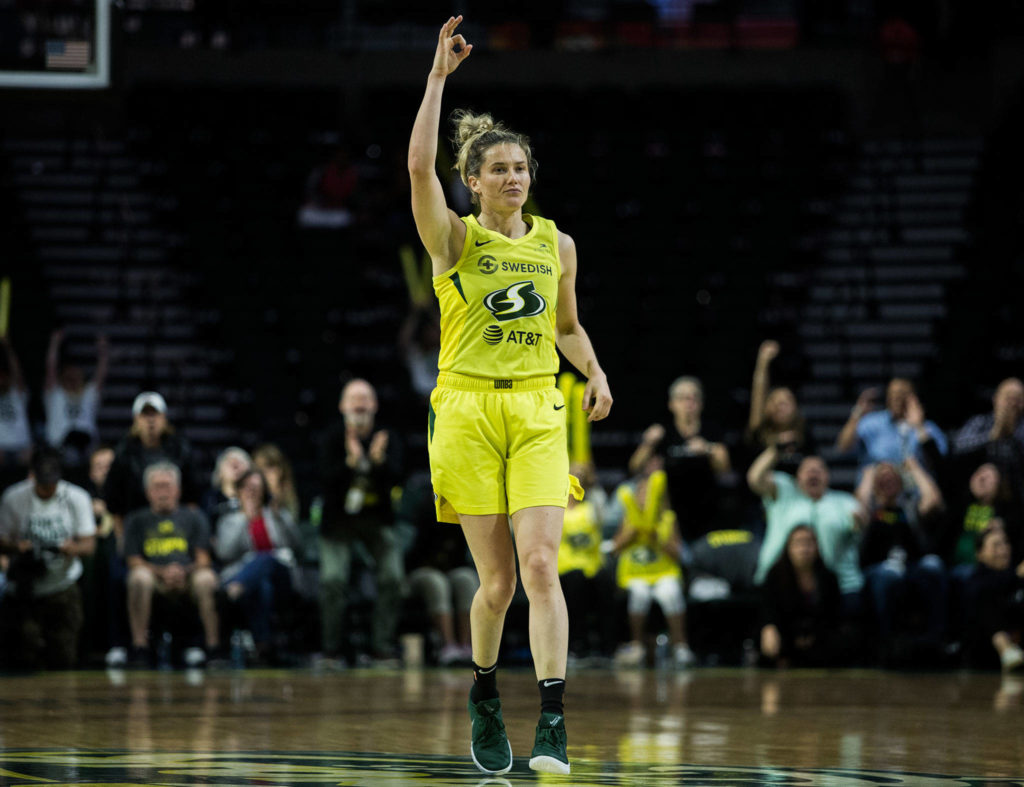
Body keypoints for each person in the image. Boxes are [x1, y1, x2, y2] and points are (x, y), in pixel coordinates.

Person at [408, 15, 613, 776]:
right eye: (498, 168)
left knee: (538, 567)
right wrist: (436, 79)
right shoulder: (455, 239)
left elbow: (567, 327)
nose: (514, 177)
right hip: (463, 409)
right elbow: (417, 169)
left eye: (521, 167)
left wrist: (593, 370)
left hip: (535, 409)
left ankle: (553, 719)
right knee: (494, 584)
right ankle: (486, 693)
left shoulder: (555, 244)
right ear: (474, 180)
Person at [319, 378, 405, 665]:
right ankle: (331, 651)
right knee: (333, 578)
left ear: (374, 405)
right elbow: (323, 483)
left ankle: (381, 648)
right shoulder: (331, 437)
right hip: (338, 522)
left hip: (377, 521)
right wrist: (350, 465)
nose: (359, 403)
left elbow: (400, 478)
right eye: (353, 398)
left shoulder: (387, 436)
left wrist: (379, 463)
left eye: (365, 398)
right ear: (342, 406)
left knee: (393, 575)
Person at [0, 447, 95, 669]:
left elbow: (89, 544)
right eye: (42, 482)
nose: (46, 487)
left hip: (62, 583)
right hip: (24, 585)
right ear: (32, 475)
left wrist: (71, 548)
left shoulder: (76, 497)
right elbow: (1, 540)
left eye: (51, 482)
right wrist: (18, 547)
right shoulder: (14, 497)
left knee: (63, 657)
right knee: (23, 656)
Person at [747, 447, 868, 615]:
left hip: (838, 586)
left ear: (828, 476)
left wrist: (859, 523)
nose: (813, 473)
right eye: (807, 470)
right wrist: (775, 451)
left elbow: (858, 525)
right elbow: (755, 479)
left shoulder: (844, 501)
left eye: (818, 470)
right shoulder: (784, 492)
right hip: (781, 584)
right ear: (797, 477)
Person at [122, 461, 220, 668]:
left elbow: (203, 559)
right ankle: (140, 647)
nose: (163, 492)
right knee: (138, 577)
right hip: (153, 578)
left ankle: (213, 648)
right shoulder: (136, 520)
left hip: (187, 577)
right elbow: (133, 560)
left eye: (167, 486)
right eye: (157, 486)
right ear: (148, 492)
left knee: (207, 578)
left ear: (178, 490)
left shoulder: (195, 517)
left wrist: (182, 571)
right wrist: (161, 572)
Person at [855, 459, 949, 661]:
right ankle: (887, 642)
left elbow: (933, 499)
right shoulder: (869, 510)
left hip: (909, 567)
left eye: (892, 475)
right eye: (883, 476)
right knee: (890, 574)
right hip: (877, 572)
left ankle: (936, 638)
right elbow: (859, 504)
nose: (888, 478)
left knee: (934, 564)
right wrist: (870, 475)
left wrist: (914, 467)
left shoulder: (909, 507)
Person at [215, 468, 304, 665]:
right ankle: (263, 645)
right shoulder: (229, 519)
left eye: (256, 488)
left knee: (267, 559)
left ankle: (234, 589)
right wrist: (244, 519)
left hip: (282, 578)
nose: (252, 493)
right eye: (247, 488)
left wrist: (281, 516)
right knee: (261, 586)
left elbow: (297, 545)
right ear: (238, 491)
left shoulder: (275, 514)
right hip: (255, 582)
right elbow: (224, 553)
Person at [609, 468, 695, 669]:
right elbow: (614, 548)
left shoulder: (668, 519)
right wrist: (630, 536)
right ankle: (637, 644)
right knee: (640, 594)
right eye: (642, 493)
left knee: (670, 594)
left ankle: (680, 645)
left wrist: (658, 539)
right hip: (635, 573)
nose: (645, 497)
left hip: (663, 572)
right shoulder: (629, 518)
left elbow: (679, 554)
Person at [629, 376, 730, 544]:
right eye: (682, 398)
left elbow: (725, 467)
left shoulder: (711, 430)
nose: (689, 403)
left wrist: (707, 448)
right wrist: (647, 443)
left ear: (701, 403)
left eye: (694, 397)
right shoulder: (663, 432)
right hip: (670, 514)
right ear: (671, 404)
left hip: (706, 512)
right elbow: (634, 467)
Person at [104, 391, 201, 530]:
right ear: (135, 419)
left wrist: (191, 531)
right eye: (145, 414)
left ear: (164, 418)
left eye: (154, 414)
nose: (150, 420)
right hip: (137, 527)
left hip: (177, 525)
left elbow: (193, 496)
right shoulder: (124, 453)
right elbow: (115, 503)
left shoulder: (181, 450)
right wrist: (123, 540)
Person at [759, 525, 847, 668]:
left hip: (819, 639)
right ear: (788, 548)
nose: (803, 549)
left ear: (817, 547)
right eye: (798, 543)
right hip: (787, 637)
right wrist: (769, 628)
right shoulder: (775, 575)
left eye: (808, 543)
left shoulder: (828, 577)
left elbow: (834, 617)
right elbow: (768, 610)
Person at [835, 378, 947, 476]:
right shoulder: (873, 422)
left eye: (901, 394)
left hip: (915, 488)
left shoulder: (928, 428)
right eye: (892, 394)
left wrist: (919, 427)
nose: (896, 398)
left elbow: (937, 464)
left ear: (913, 397)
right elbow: (843, 447)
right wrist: (858, 412)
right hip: (877, 486)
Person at [744, 340, 816, 477]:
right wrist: (763, 363)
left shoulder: (804, 433)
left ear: (795, 407)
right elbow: (758, 396)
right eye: (775, 402)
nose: (780, 406)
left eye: (786, 402)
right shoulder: (759, 431)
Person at [961, 525, 1024, 672]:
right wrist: (1016, 576)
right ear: (980, 553)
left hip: (1018, 645)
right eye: (996, 545)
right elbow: (988, 589)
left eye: (1006, 543)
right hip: (984, 655)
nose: (1003, 549)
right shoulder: (976, 580)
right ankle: (1005, 647)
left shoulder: (1015, 577)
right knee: (985, 598)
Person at [952, 377, 1024, 505]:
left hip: (1015, 497)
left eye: (1018, 398)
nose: (1012, 403)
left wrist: (1012, 435)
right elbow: (958, 446)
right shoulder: (981, 422)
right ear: (995, 399)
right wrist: (992, 435)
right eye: (1008, 397)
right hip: (977, 492)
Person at [43, 330, 109, 459]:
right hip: (58, 448)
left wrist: (103, 350)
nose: (73, 379)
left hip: (87, 448)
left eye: (76, 376)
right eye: (69, 376)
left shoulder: (90, 394)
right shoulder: (55, 394)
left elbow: (102, 373)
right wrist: (54, 343)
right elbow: (50, 368)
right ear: (62, 377)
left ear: (82, 377)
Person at [0, 338, 32, 484]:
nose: (2, 381)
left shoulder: (17, 394)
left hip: (21, 446)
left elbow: (17, 373)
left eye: (4, 378)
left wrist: (9, 350)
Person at [201, 446, 252, 525]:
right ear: (219, 472)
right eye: (230, 462)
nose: (235, 466)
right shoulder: (210, 500)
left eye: (240, 462)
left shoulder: (258, 498)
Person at [252, 443, 301, 522]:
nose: (263, 474)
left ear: (280, 470)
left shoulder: (288, 496)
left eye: (268, 467)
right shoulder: (252, 501)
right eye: (259, 469)